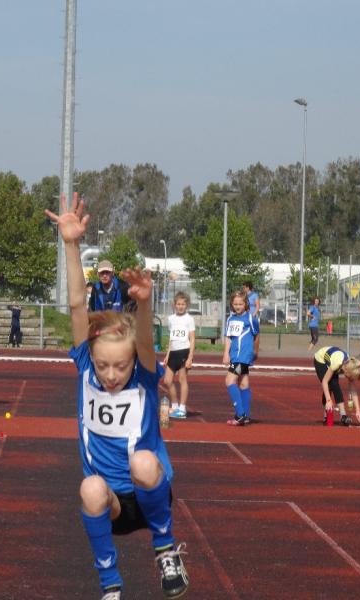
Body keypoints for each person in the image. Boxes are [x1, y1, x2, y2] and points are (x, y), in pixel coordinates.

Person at [46, 194, 188, 600]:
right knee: (89, 487)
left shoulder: (142, 375)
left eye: (119, 367)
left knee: (143, 461)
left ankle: (165, 550)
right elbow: (78, 304)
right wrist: (71, 244)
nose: (110, 375)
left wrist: (144, 303)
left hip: (149, 492)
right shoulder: (85, 367)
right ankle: (110, 584)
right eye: (103, 366)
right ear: (91, 359)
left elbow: (142, 341)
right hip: (111, 502)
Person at [223, 290, 256, 426]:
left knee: (229, 380)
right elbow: (228, 337)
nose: (237, 306)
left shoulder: (250, 318)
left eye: (240, 304)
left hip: (242, 356)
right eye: (235, 304)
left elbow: (256, 334)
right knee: (243, 383)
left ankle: (240, 414)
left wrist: (255, 351)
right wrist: (226, 353)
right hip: (234, 355)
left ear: (245, 304)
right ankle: (246, 416)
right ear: (232, 304)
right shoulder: (230, 319)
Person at [163, 292, 196, 420]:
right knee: (167, 380)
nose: (180, 306)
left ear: (187, 305)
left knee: (182, 380)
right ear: (174, 305)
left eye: (183, 304)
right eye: (178, 304)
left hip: (184, 351)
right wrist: (167, 355)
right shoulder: (171, 319)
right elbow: (171, 338)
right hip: (173, 353)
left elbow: (192, 339)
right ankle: (175, 406)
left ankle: (182, 409)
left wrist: (190, 357)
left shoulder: (189, 319)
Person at [313, 346, 360, 426]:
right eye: (350, 377)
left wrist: (358, 410)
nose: (350, 379)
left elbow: (353, 391)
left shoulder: (351, 366)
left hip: (333, 359)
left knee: (334, 384)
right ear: (347, 371)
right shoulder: (337, 364)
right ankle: (327, 415)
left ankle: (343, 416)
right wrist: (328, 400)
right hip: (320, 359)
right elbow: (324, 382)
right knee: (331, 385)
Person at [242, 281, 260, 361]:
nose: (243, 289)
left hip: (252, 318)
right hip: (245, 317)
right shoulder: (243, 296)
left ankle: (255, 352)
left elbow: (257, 306)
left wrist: (253, 314)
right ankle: (247, 352)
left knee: (255, 335)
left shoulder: (255, 295)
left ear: (248, 287)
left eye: (244, 287)